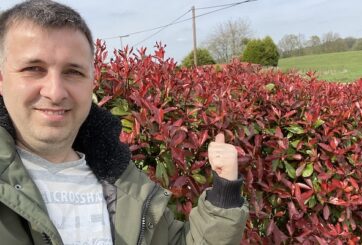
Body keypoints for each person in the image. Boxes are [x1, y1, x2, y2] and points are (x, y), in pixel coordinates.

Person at [0, 0, 248, 244]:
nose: (55, 92)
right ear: (1, 79)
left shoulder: (125, 182)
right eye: (33, 68)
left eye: (73, 72)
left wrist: (224, 193)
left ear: (91, 83)